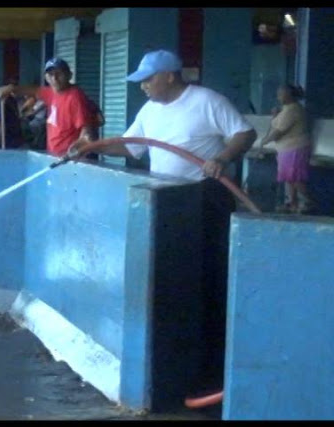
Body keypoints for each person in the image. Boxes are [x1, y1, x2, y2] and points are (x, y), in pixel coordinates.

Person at [69, 50, 257, 407]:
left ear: (170, 75)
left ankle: (215, 368)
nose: (143, 86)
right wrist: (91, 147)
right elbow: (134, 148)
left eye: (148, 79)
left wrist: (222, 158)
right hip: (170, 202)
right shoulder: (150, 111)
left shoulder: (206, 101)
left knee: (211, 284)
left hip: (206, 197)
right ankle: (188, 366)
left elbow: (244, 133)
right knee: (179, 283)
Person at [0, 57, 98, 156]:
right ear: (46, 78)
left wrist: (79, 150)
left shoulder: (74, 96)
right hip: (54, 155)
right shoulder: (51, 92)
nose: (55, 78)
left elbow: (86, 129)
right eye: (51, 74)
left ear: (69, 75)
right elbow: (33, 90)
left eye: (59, 74)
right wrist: (10, 88)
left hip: (68, 157)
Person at [259, 84, 315, 214]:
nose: (278, 97)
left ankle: (308, 202)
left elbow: (278, 131)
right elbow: (275, 124)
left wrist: (265, 141)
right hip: (286, 149)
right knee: (288, 177)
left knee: (293, 177)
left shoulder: (293, 110)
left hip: (295, 148)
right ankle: (292, 203)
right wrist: (274, 115)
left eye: (281, 94)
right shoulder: (286, 109)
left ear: (289, 95)